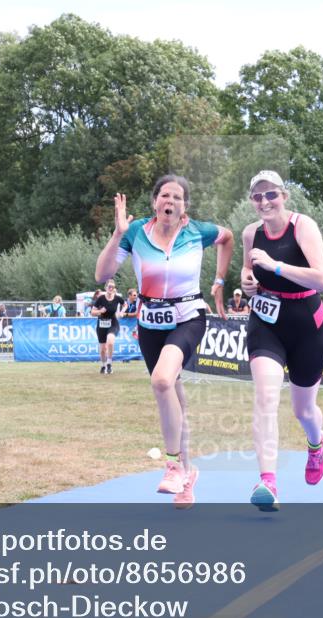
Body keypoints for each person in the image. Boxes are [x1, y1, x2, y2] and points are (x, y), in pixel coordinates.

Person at [95, 175, 233, 509]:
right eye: (164, 196)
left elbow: (227, 238)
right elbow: (101, 275)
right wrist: (117, 234)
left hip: (188, 316)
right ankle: (188, 474)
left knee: (161, 381)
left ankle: (172, 465)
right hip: (151, 323)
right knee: (174, 396)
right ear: (155, 202)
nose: (170, 201)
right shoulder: (137, 233)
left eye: (177, 197)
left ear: (184, 208)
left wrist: (219, 281)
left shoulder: (197, 232)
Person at [241, 170, 323, 512]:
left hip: (308, 324)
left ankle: (316, 443)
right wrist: (248, 283)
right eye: (258, 197)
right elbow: (248, 272)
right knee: (265, 395)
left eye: (271, 195)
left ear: (284, 196)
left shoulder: (302, 226)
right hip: (266, 323)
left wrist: (276, 267)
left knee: (303, 410)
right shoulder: (251, 233)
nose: (265, 202)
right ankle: (267, 481)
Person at [91, 279, 125, 374]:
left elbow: (125, 304)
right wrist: (99, 311)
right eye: (109, 286)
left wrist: (122, 312)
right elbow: (92, 312)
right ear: (105, 287)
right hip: (101, 324)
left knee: (110, 341)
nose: (110, 288)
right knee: (102, 349)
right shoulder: (101, 298)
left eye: (112, 287)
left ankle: (109, 364)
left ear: (114, 288)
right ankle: (103, 365)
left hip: (113, 323)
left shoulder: (117, 298)